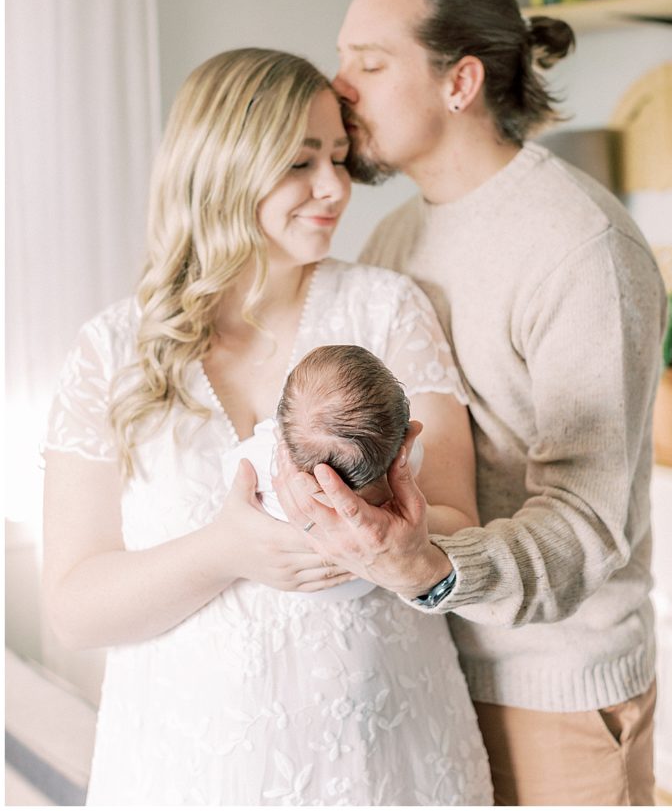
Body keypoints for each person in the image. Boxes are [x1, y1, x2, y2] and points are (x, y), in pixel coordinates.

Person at [42, 46, 493, 806]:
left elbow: (457, 523)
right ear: (221, 168)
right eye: (299, 162)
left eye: (341, 158)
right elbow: (73, 611)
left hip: (386, 761)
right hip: (188, 770)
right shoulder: (112, 352)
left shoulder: (388, 309)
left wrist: (392, 541)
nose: (333, 188)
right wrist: (223, 551)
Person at [274, 0, 667, 806]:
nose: (340, 87)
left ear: (460, 82)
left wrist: (432, 569)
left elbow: (586, 523)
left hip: (553, 692)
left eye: (371, 65)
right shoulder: (390, 244)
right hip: (422, 678)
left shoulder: (582, 249)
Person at [223, 343, 473, 602]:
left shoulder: (264, 457)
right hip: (366, 582)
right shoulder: (409, 460)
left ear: (282, 436)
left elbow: (230, 469)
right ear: (407, 437)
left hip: (302, 579)